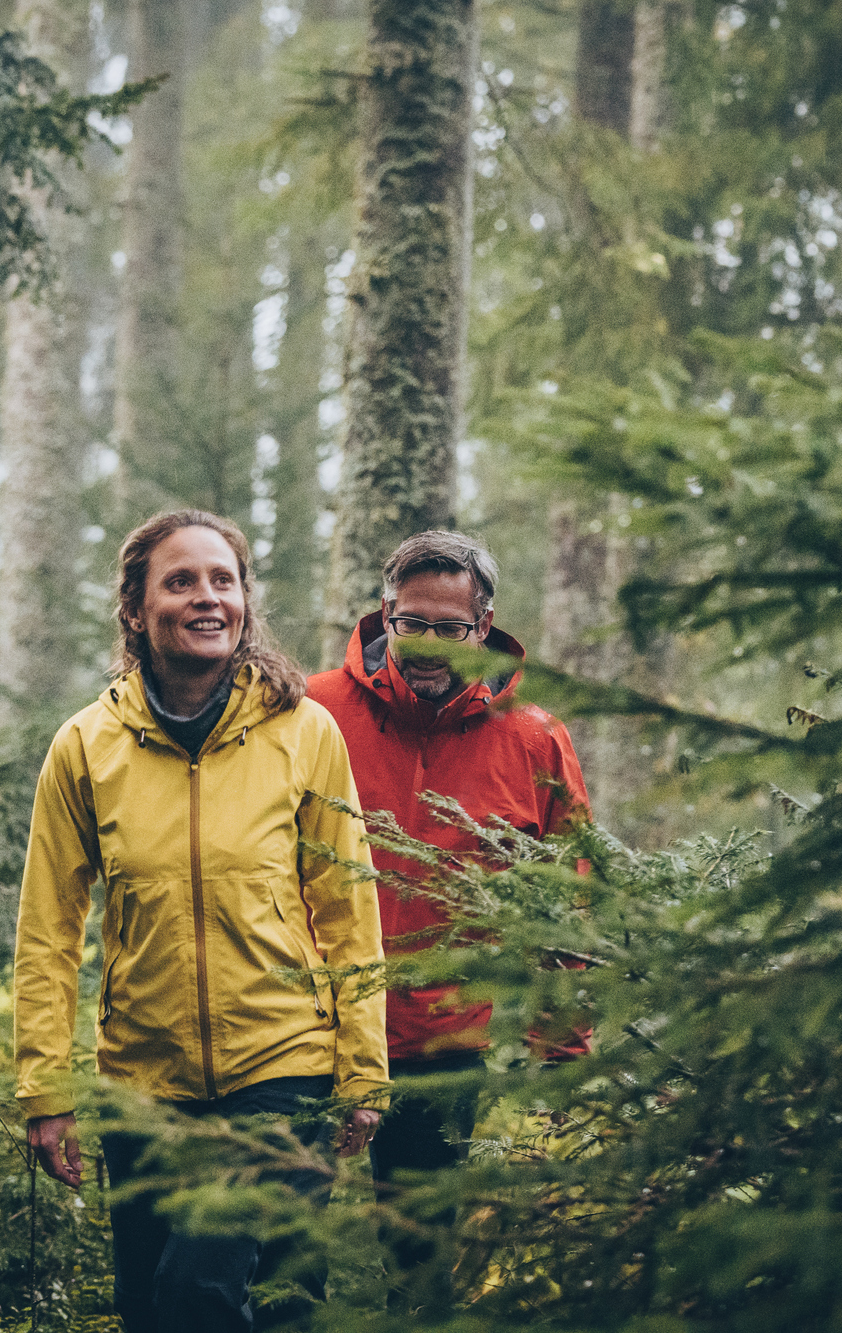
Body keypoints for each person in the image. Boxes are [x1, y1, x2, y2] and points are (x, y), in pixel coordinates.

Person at [13, 509, 388, 1333]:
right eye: (180, 581)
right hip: (143, 1084)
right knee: (160, 1309)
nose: (206, 598)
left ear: (245, 600)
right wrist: (46, 1088)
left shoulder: (302, 731)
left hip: (283, 1069)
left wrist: (361, 1067)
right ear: (136, 609)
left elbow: (347, 910)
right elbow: (48, 929)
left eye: (223, 580)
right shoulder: (85, 747)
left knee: (199, 1293)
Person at [305, 529, 591, 1277]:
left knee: (419, 1261)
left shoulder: (533, 738)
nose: (430, 645)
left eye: (452, 629)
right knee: (280, 1255)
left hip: (442, 1042)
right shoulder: (311, 711)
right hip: (306, 1026)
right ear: (385, 613)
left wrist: (560, 1050)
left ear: (484, 626)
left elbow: (566, 898)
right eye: (413, 624)